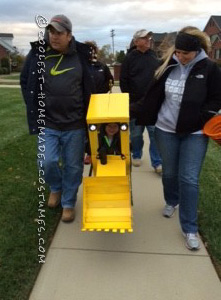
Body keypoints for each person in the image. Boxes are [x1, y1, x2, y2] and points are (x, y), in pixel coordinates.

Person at [133, 26, 221, 250]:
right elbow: (152, 97)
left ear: (197, 51)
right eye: (178, 52)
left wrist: (201, 118)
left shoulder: (209, 69)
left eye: (185, 54)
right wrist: (130, 109)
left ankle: (189, 228)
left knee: (189, 179)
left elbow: (215, 100)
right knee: (169, 173)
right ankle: (172, 200)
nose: (180, 57)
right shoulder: (168, 65)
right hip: (166, 130)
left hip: (195, 133)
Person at [20, 15, 93, 222]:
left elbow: (90, 85)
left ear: (69, 35)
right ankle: (56, 187)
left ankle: (68, 202)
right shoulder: (37, 54)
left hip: (75, 124)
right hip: (48, 122)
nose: (54, 36)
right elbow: (25, 81)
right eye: (51, 32)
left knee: (73, 166)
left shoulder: (82, 55)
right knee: (46, 161)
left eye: (59, 33)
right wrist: (33, 105)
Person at [120, 29, 162, 173]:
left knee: (154, 134)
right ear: (136, 41)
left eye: (149, 38)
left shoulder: (154, 56)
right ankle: (136, 154)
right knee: (136, 134)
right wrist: (129, 99)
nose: (148, 40)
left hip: (152, 104)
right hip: (134, 104)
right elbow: (123, 80)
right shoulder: (129, 58)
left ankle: (157, 162)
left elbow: (159, 77)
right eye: (144, 38)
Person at [84, 41, 114, 165]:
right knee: (88, 130)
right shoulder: (82, 66)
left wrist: (103, 91)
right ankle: (90, 153)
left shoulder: (102, 67)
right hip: (85, 103)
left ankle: (104, 151)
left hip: (100, 103)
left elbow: (110, 81)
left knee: (101, 130)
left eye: (92, 49)